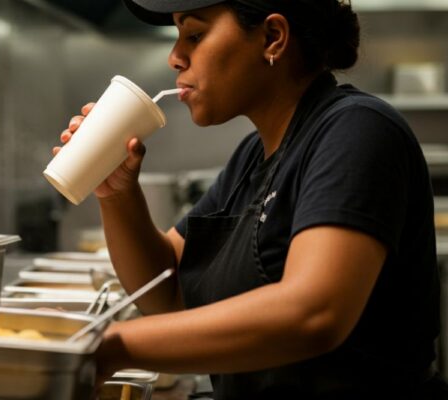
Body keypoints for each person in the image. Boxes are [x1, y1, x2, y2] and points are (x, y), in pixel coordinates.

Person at [55, 0, 447, 398]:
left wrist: (112, 345)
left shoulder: (356, 130)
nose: (175, 57)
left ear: (272, 38)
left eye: (194, 34)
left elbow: (314, 313)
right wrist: (118, 194)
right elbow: (168, 292)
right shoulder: (251, 158)